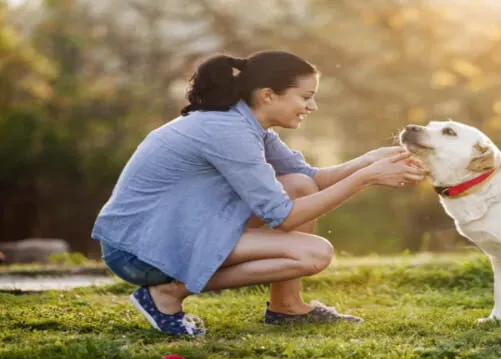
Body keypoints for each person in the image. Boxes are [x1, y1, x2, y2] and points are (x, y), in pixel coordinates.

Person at [91, 50, 426, 337]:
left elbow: (311, 179)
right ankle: (166, 292)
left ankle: (287, 308)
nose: (313, 107)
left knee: (298, 184)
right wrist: (366, 178)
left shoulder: (248, 124)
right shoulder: (228, 131)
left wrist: (369, 160)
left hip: (177, 231)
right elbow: (282, 215)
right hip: (139, 251)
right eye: (306, 97)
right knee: (313, 254)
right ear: (268, 95)